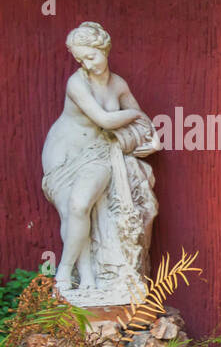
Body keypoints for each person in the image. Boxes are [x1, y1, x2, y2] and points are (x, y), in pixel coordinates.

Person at [41, 22, 160, 306]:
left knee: (81, 206)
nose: (86, 64)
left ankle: (62, 276)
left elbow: (144, 123)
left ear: (104, 49)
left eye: (91, 56)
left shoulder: (118, 85)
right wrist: (132, 114)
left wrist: (142, 129)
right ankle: (88, 279)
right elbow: (107, 120)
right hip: (63, 154)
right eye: (80, 59)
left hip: (99, 152)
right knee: (72, 215)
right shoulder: (77, 83)